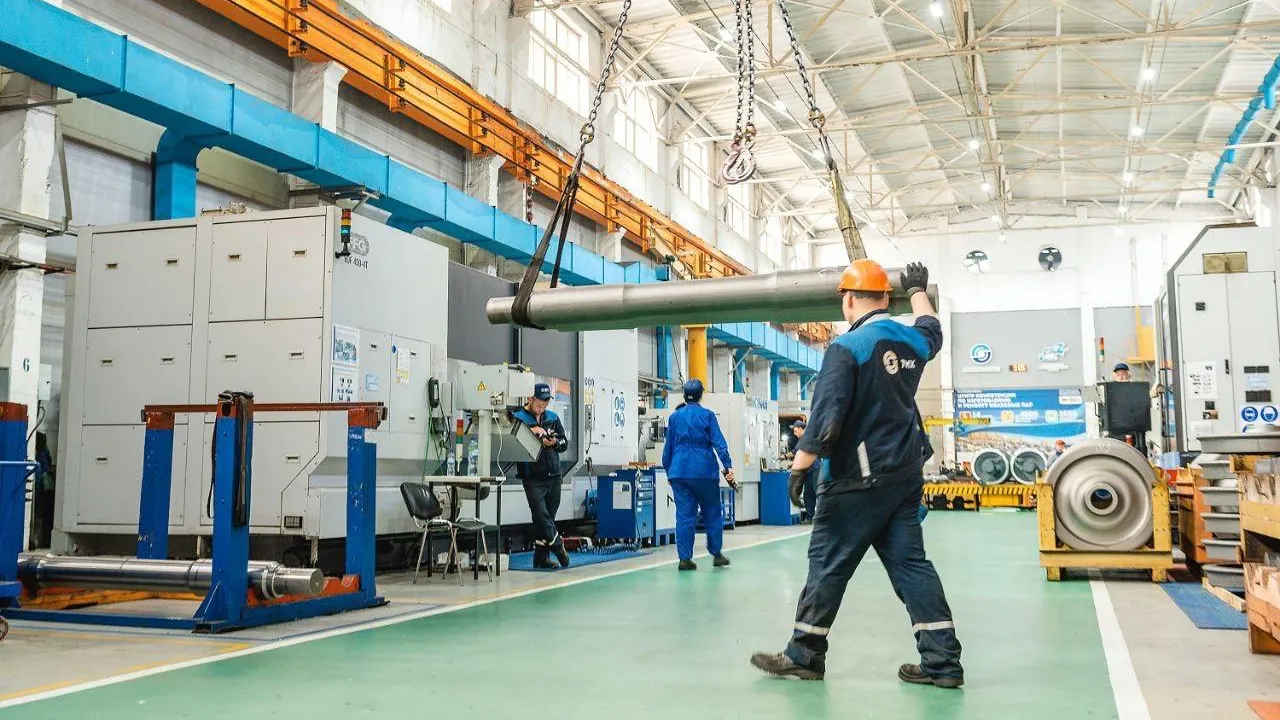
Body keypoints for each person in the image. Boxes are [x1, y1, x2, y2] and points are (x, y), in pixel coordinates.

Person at [750, 259, 964, 688]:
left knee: (828, 564)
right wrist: (917, 289)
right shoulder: (911, 341)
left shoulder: (847, 348)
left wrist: (799, 468)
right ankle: (943, 662)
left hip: (855, 480)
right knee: (912, 566)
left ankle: (804, 654)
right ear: (885, 297)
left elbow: (825, 417)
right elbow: (932, 329)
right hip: (904, 476)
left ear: (847, 300)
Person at [661, 379, 736, 571]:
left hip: (679, 471)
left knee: (684, 515)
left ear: (684, 395)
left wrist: (670, 472)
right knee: (712, 512)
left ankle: (684, 559)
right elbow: (719, 443)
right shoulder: (707, 416)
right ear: (701, 395)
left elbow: (667, 449)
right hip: (704, 471)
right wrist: (727, 465)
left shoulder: (674, 418)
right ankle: (717, 554)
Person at [513, 383, 571, 569]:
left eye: (545, 404)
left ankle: (541, 558)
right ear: (530, 399)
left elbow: (564, 442)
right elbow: (512, 437)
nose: (542, 408)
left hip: (554, 474)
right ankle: (558, 545)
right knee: (541, 515)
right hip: (532, 476)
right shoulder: (518, 417)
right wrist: (533, 432)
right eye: (539, 404)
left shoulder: (552, 417)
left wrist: (554, 442)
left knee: (547, 519)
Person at [788, 420, 818, 522]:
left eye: (795, 431)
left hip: (814, 469)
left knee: (816, 492)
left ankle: (824, 516)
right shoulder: (804, 438)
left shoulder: (806, 438)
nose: (794, 433)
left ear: (801, 429)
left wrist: (784, 456)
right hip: (808, 470)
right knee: (808, 494)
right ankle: (810, 517)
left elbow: (795, 451)